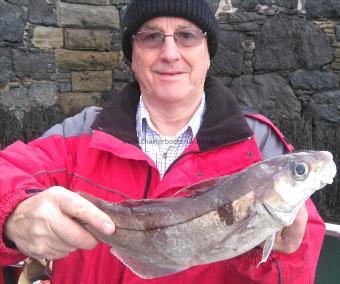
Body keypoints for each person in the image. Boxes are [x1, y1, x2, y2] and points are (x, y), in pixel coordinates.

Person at [0, 0, 325, 283]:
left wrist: (271, 253)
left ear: (208, 53)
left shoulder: (261, 146)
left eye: (187, 35)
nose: (170, 53)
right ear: (132, 56)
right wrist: (14, 214)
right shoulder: (80, 133)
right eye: (151, 37)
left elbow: (300, 269)